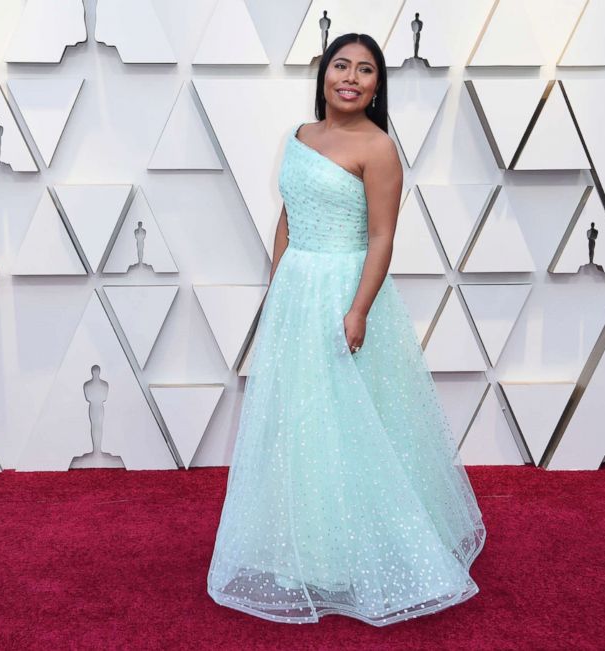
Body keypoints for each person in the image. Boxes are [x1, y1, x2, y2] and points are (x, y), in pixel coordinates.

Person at [206, 33, 486, 626]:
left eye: (365, 70)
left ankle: (352, 552)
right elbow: (288, 214)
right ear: (324, 74)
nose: (351, 78)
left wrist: (357, 309)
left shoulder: (380, 149)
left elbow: (382, 237)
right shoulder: (300, 138)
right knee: (300, 418)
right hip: (297, 292)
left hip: (345, 291)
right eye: (341, 66)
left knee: (351, 420)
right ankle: (307, 546)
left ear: (377, 85)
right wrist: (280, 283)